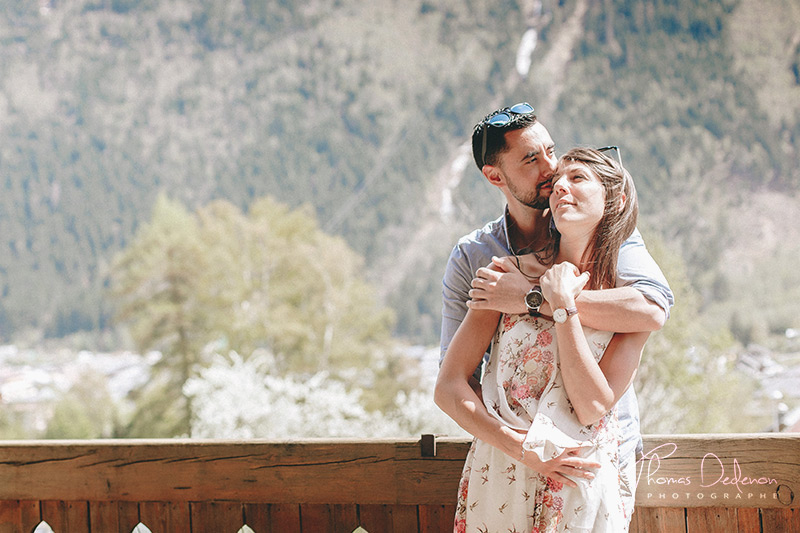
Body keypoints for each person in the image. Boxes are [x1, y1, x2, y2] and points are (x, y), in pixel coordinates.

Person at [437, 103, 673, 529]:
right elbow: (452, 383)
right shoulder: (487, 263)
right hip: (507, 466)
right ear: (495, 177)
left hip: (591, 466)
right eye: (532, 159)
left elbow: (652, 310)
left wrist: (541, 299)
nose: (553, 174)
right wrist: (523, 449)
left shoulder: (620, 253)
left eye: (553, 153)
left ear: (613, 200)